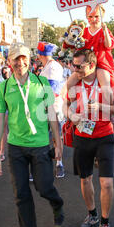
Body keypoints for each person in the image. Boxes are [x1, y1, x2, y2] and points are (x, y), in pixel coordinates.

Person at [0, 43, 64, 227]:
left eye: (23, 58)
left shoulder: (42, 83)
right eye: (16, 59)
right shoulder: (3, 87)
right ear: (9, 62)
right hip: (16, 148)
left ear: (30, 60)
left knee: (43, 187)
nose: (20, 62)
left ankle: (56, 202)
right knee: (21, 193)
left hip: (40, 145)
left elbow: (52, 114)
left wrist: (57, 143)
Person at [64, 49, 114, 227]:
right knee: (85, 180)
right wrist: (70, 115)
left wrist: (100, 107)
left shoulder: (105, 81)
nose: (75, 70)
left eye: (79, 66)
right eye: (73, 66)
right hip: (82, 137)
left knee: (106, 183)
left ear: (91, 65)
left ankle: (105, 223)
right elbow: (63, 104)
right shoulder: (75, 82)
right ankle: (92, 215)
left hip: (104, 137)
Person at [66, 5, 114, 109]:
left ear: (102, 16)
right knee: (69, 83)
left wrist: (105, 30)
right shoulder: (83, 31)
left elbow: (108, 45)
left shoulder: (105, 30)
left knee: (105, 84)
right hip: (86, 65)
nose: (93, 19)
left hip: (101, 64)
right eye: (90, 16)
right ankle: (74, 104)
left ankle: (109, 108)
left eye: (97, 16)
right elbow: (77, 49)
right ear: (86, 17)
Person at [38, 42, 66, 178]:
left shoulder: (52, 67)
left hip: (52, 107)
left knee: (56, 137)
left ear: (39, 55)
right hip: (47, 106)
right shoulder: (49, 66)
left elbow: (53, 89)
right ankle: (45, 164)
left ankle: (59, 163)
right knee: (46, 137)